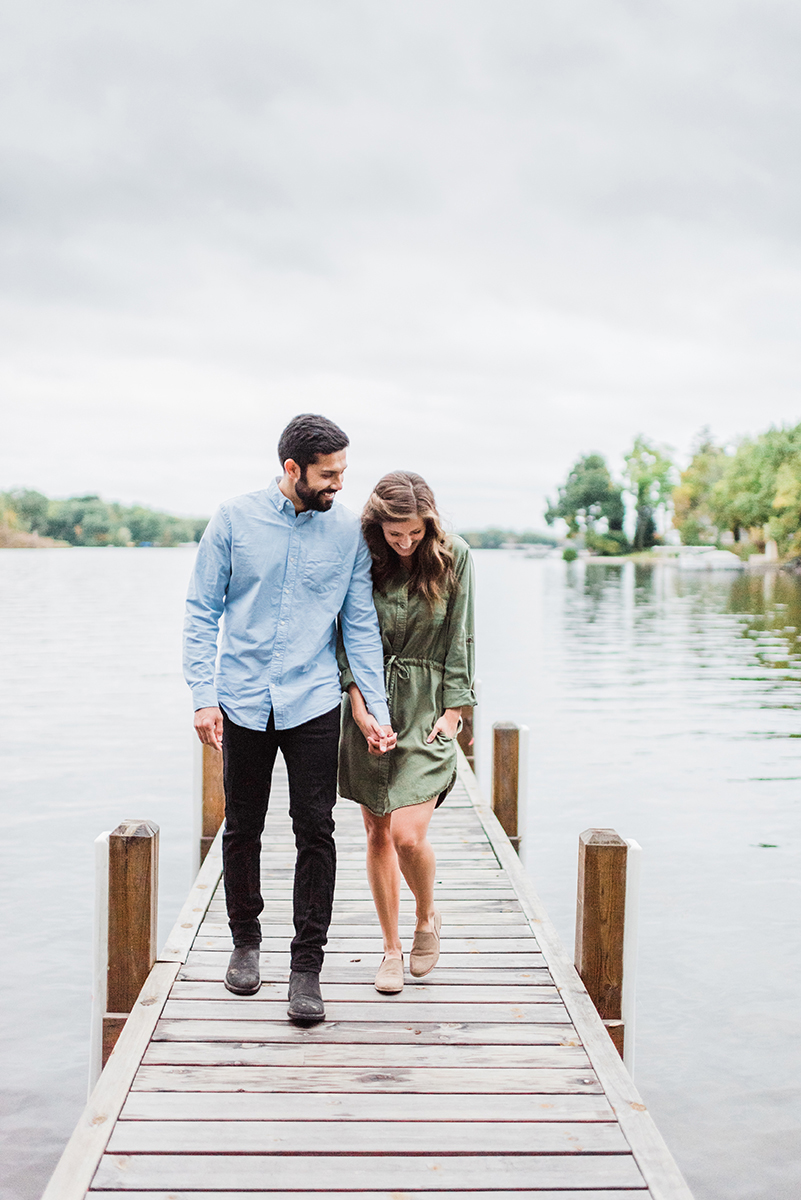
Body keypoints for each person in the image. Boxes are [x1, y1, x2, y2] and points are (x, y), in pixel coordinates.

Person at [183, 414, 396, 1024]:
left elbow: (359, 625)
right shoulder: (233, 520)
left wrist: (375, 710)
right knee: (243, 824)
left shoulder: (347, 535)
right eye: (328, 475)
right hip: (242, 698)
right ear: (292, 469)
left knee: (316, 829)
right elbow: (201, 611)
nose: (337, 485)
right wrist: (203, 694)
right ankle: (245, 943)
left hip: (312, 701)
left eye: (343, 473)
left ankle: (307, 968)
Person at [337, 471, 476, 993]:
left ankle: (426, 917)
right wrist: (357, 701)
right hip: (372, 701)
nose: (404, 542)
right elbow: (345, 631)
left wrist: (454, 711)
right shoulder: (361, 555)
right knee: (376, 830)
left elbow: (462, 634)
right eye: (395, 533)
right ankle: (391, 949)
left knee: (407, 834)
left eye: (414, 533)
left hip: (428, 707)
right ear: (378, 524)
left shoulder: (454, 554)